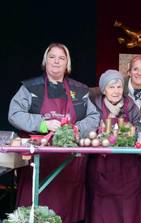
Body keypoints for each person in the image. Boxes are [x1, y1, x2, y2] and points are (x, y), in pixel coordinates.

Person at [8, 43, 100, 222]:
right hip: (38, 162)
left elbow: (94, 116)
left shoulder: (80, 90)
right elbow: (14, 114)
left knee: (68, 213)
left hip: (70, 164)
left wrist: (76, 129)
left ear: (67, 64)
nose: (56, 61)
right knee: (34, 209)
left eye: (61, 58)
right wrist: (43, 124)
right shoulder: (30, 88)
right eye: (52, 57)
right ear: (45, 61)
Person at [86, 69, 141, 223]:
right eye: (111, 87)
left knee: (131, 208)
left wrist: (130, 132)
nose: (116, 91)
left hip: (128, 170)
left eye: (118, 87)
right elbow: (88, 130)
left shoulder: (131, 106)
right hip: (101, 169)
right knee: (104, 210)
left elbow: (140, 129)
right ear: (104, 90)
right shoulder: (94, 106)